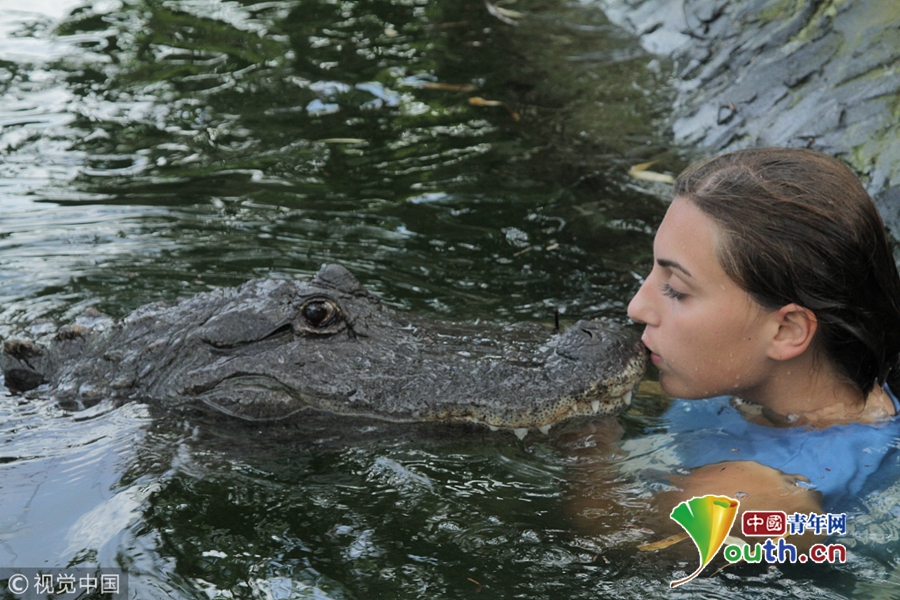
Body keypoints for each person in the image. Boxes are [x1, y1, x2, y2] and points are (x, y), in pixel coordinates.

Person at [570, 148, 900, 546]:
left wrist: (583, 440)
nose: (636, 307)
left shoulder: (754, 496)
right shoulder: (762, 383)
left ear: (786, 331)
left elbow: (607, 527)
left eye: (676, 289)